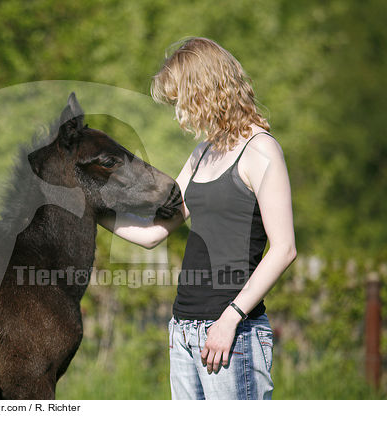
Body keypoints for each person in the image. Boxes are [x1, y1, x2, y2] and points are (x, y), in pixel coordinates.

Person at [98, 37, 296, 399]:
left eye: (182, 102)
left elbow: (283, 249)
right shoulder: (201, 154)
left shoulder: (262, 151)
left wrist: (231, 318)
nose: (180, 114)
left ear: (206, 89)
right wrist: (92, 208)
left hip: (232, 333)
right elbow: (153, 232)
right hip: (184, 332)